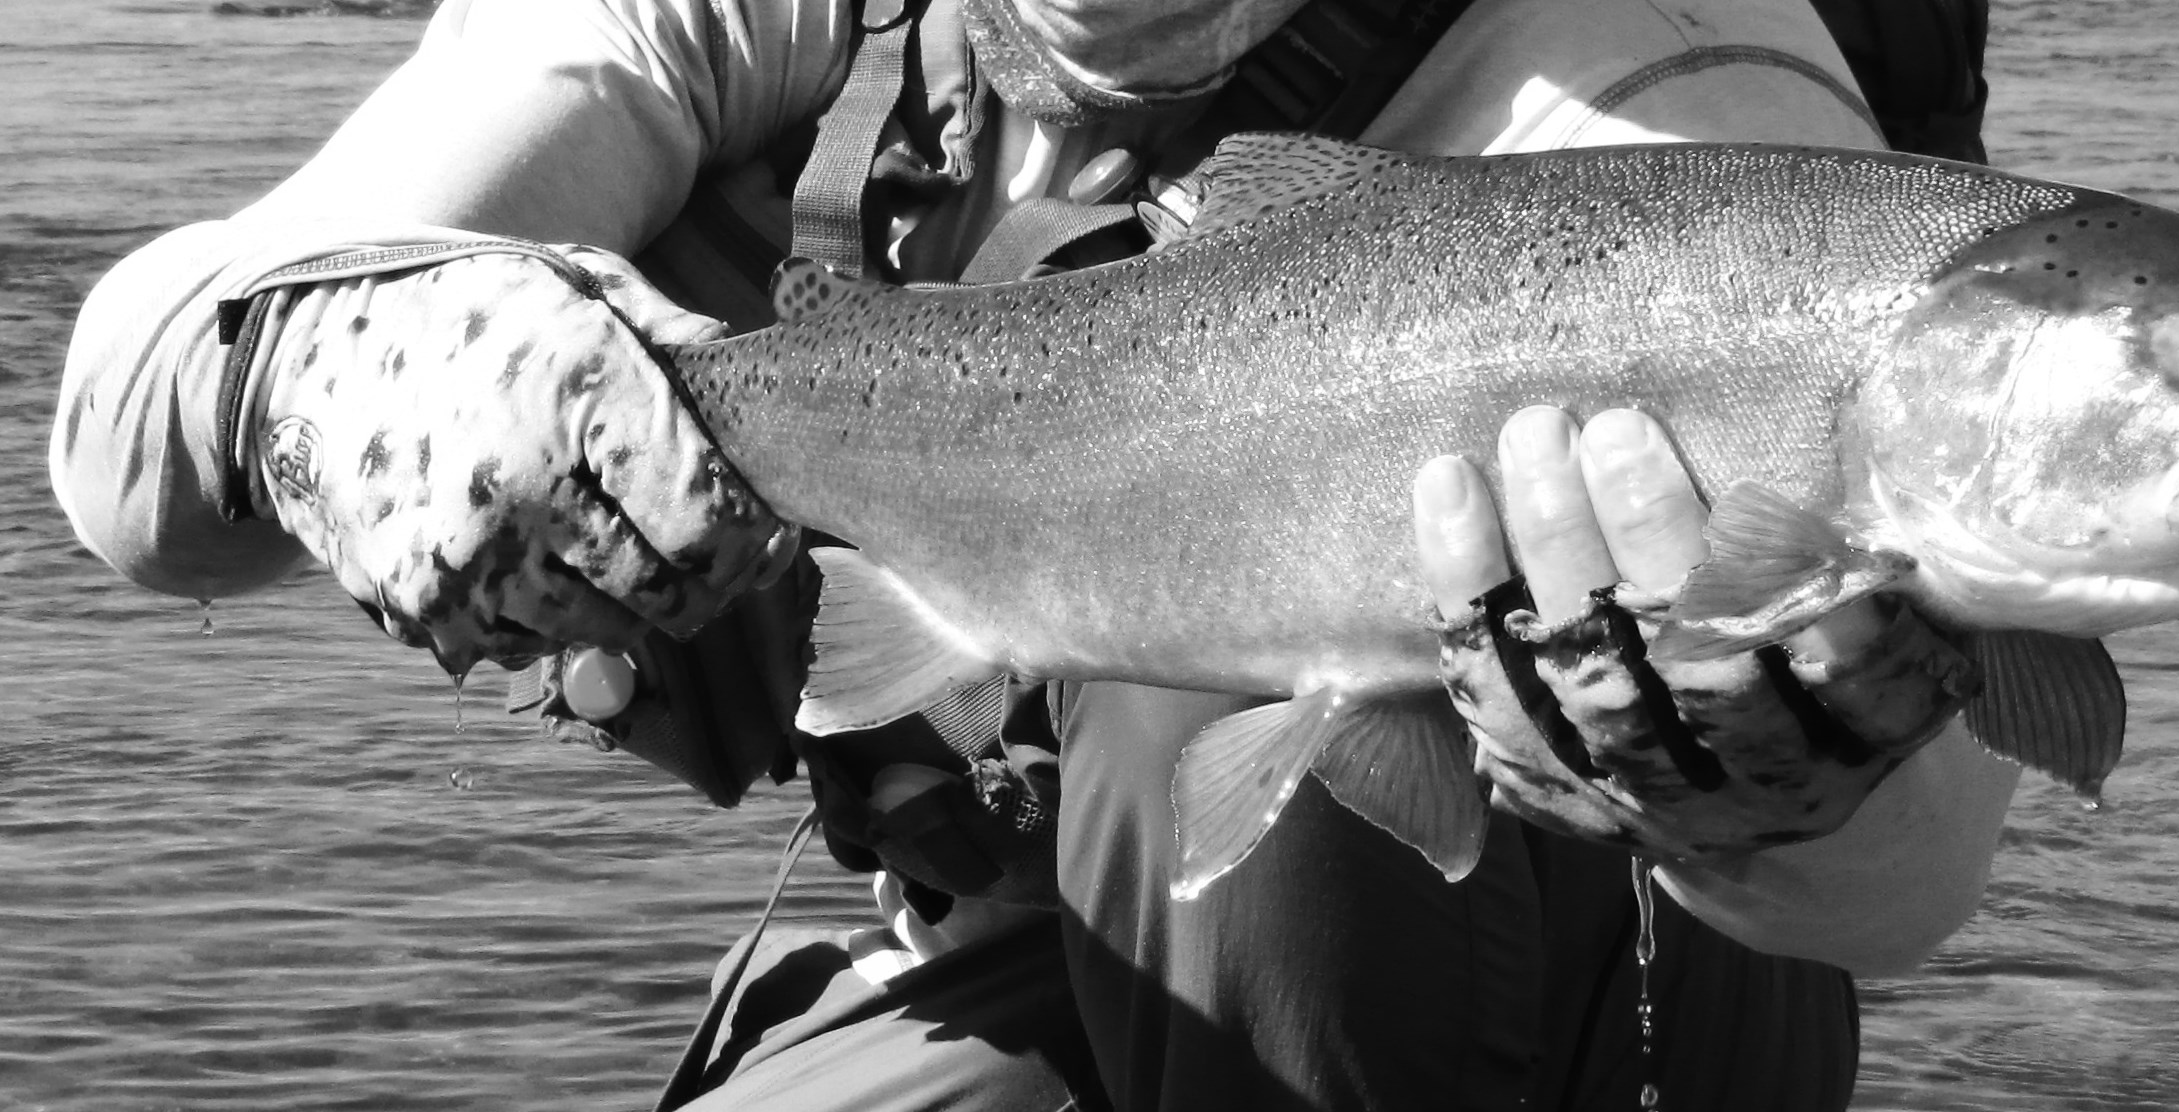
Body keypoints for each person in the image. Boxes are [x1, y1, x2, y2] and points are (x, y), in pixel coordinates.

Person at [50, 0, 2017, 1108]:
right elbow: (132, 423)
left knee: (1208, 724)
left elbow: (1910, 878)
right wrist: (336, 377)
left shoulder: (1662, 74)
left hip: (1565, 987)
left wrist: (1772, 791)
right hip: (1029, 930)